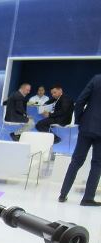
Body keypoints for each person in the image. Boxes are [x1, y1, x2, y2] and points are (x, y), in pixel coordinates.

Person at [58, 75, 101, 206]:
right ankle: (87, 198)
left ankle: (63, 194)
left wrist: (79, 120)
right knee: (97, 164)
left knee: (76, 161)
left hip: (86, 126)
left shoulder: (96, 79)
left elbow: (80, 100)